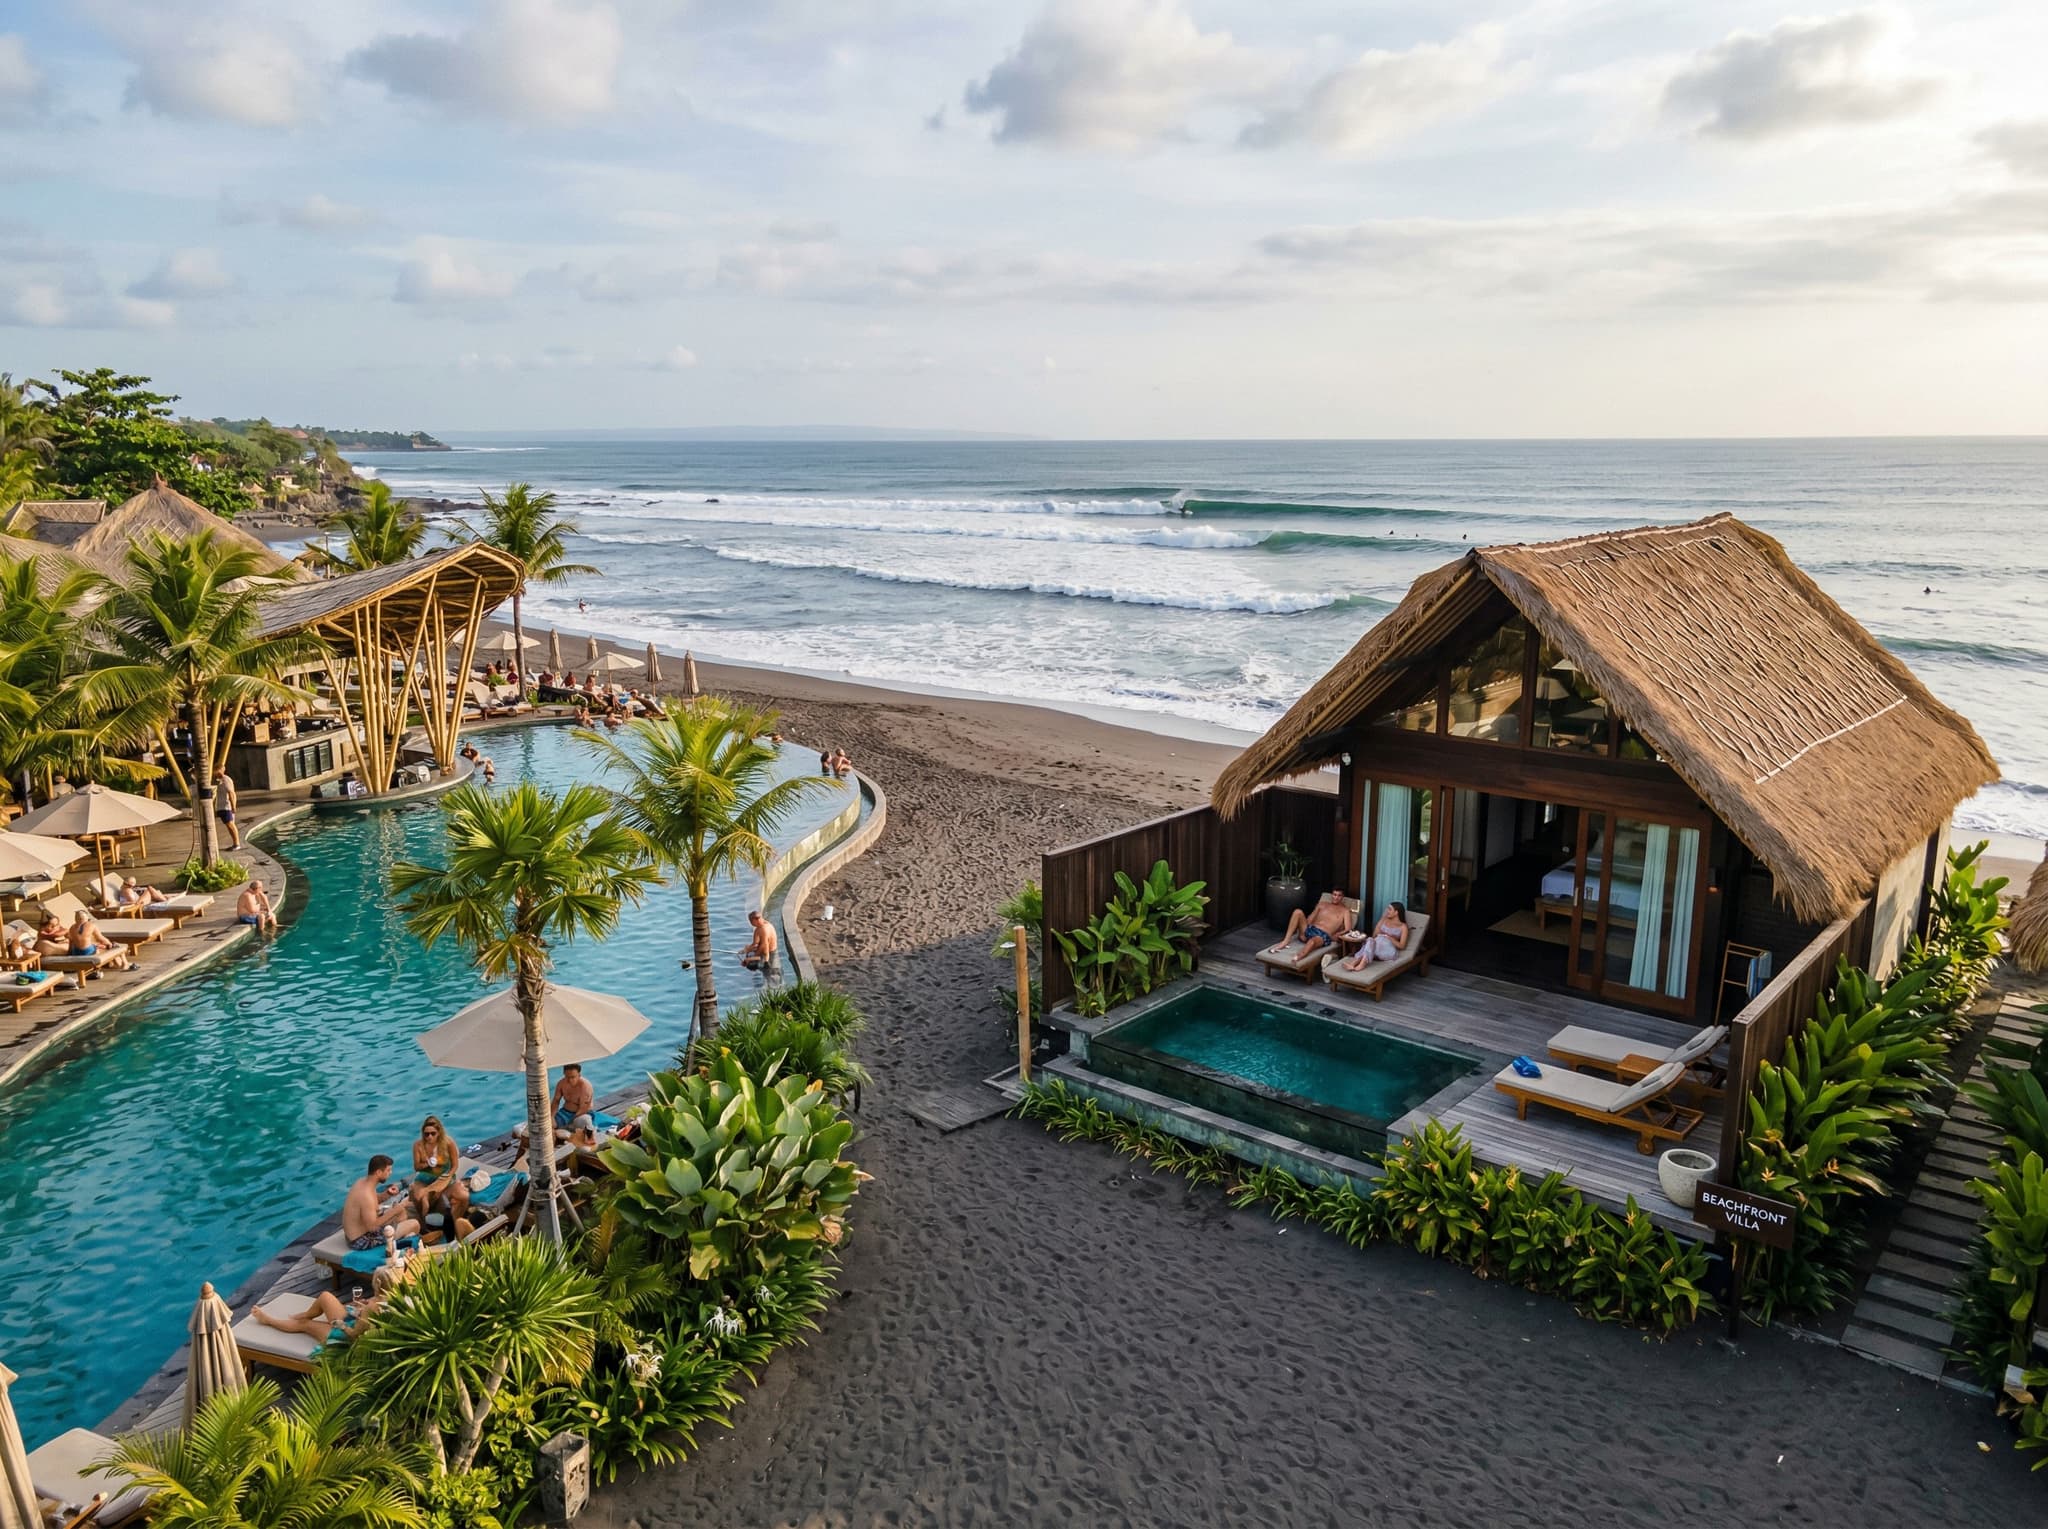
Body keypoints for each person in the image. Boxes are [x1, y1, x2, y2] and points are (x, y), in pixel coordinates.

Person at [342, 1154, 419, 1251]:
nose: (390, 1173)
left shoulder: (362, 1182)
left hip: (356, 1233)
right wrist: (396, 1209)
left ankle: (398, 1237)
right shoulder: (366, 1195)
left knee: (401, 1212)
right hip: (361, 1240)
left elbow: (373, 1200)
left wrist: (388, 1193)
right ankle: (396, 1246)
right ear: (378, 1172)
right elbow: (372, 1227)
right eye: (388, 1170)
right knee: (415, 1224)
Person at [408, 1114, 471, 1232]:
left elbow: (455, 1165)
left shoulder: (448, 1143)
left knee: (464, 1196)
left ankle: (455, 1222)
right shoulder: (418, 1145)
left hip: (444, 1176)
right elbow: (417, 1167)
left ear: (439, 1132)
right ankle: (424, 1225)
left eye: (433, 1133)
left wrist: (448, 1177)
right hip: (425, 1177)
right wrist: (428, 1163)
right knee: (418, 1197)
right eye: (426, 1134)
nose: (429, 1137)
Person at [1266, 889, 1353, 957]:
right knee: (1298, 912)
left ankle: (1298, 957)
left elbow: (1348, 929)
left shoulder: (1345, 911)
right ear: (1331, 895)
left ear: (1342, 897)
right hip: (1309, 930)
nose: (1336, 897)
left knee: (1312, 942)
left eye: (1339, 895)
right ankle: (1285, 941)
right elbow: (1310, 919)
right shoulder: (1322, 904)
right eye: (1334, 894)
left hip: (1321, 936)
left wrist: (1338, 934)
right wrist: (1301, 926)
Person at [1341, 901, 1412, 970]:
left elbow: (1402, 946)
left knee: (1370, 942)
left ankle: (1358, 965)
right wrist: (1378, 933)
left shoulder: (1403, 927)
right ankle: (1354, 964)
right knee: (1370, 940)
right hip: (1376, 946)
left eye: (1390, 909)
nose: (1387, 911)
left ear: (1396, 912)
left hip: (1387, 950)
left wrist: (1389, 937)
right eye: (1387, 909)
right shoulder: (1384, 919)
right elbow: (1374, 935)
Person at [552, 1062, 595, 1129]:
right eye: (567, 1077)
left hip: (582, 1113)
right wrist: (551, 1116)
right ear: (564, 1073)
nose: (570, 1080)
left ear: (579, 1075)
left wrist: (569, 1123)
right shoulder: (561, 1084)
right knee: (549, 1124)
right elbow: (556, 1101)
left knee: (584, 1121)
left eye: (573, 1077)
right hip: (565, 1112)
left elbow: (584, 1108)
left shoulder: (585, 1087)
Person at [214, 772, 240, 849]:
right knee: (229, 825)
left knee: (230, 824)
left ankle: (237, 844)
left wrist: (233, 806)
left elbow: (231, 793)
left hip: (226, 807)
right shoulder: (218, 780)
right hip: (221, 807)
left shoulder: (225, 780)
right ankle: (235, 843)